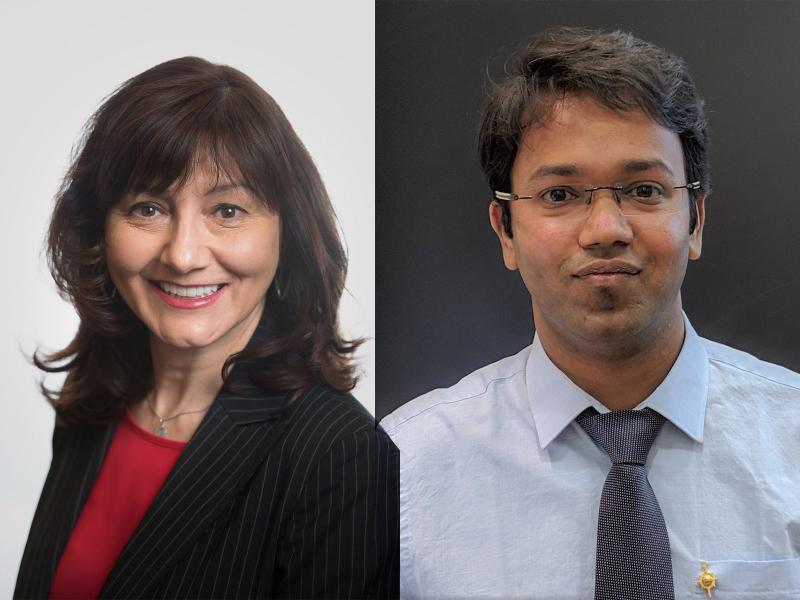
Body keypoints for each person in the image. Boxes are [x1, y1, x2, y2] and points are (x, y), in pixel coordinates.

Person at [381, 27, 800, 599]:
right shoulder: (402, 471)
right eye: (560, 195)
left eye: (645, 190)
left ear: (695, 220)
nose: (606, 229)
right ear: (505, 230)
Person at [15, 57, 398, 599]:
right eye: (148, 208)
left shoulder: (341, 458)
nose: (184, 254)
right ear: (97, 228)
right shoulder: (93, 406)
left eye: (228, 211)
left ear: (286, 233)